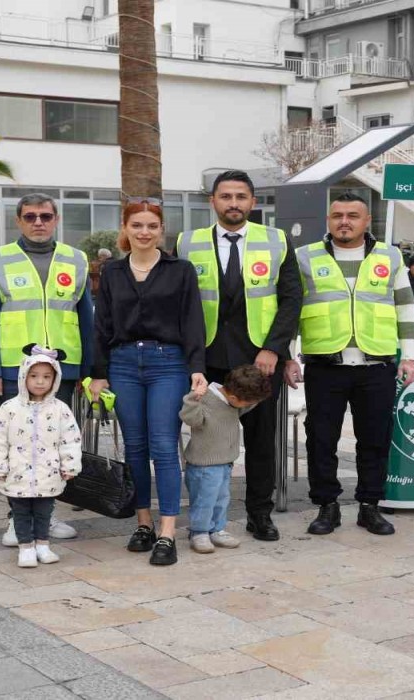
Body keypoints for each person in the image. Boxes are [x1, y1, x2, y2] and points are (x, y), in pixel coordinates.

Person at [174, 170, 302, 542]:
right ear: (212, 201)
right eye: (226, 196)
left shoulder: (276, 240)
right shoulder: (187, 242)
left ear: (253, 202)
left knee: (262, 442)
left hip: (260, 361)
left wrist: (274, 349)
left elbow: (292, 298)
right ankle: (205, 521)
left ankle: (259, 514)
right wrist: (192, 361)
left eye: (241, 197)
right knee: (208, 444)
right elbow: (179, 302)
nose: (233, 203)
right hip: (209, 359)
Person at [284, 193, 414, 537]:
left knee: (374, 439)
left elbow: (405, 308)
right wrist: (288, 355)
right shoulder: (305, 256)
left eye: (352, 216)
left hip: (376, 366)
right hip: (325, 365)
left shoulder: (389, 256)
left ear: (366, 221)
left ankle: (369, 506)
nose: (344, 221)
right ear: (329, 220)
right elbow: (289, 311)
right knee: (320, 439)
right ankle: (326, 506)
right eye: (337, 215)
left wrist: (410, 356)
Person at [86, 200, 208, 566]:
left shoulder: (180, 270)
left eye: (151, 226)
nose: (144, 232)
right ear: (126, 229)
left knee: (163, 446)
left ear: (161, 230)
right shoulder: (112, 272)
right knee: (135, 447)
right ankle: (143, 524)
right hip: (123, 364)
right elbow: (102, 324)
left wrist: (196, 367)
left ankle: (168, 532)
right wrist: (98, 372)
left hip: (167, 363)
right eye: (136, 225)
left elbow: (192, 321)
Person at [0, 192, 92, 545]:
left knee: (56, 446)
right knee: (18, 446)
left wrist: (88, 369)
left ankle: (47, 516)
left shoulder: (76, 260)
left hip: (64, 369)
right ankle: (17, 520)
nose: (38, 222)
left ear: (56, 219)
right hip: (16, 370)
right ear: (19, 221)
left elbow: (86, 317)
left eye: (45, 216)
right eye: (30, 216)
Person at [0, 346, 82, 568]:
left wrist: (70, 465)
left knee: (44, 512)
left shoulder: (61, 410)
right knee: (20, 513)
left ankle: (42, 544)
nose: (40, 382)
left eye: (46, 377)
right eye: (34, 376)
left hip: (48, 475)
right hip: (17, 474)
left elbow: (70, 439)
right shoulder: (9, 408)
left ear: (55, 379)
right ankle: (25, 547)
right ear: (24, 377)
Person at [180, 365, 271, 554]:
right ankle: (199, 531)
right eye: (247, 403)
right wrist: (193, 398)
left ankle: (216, 529)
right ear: (233, 398)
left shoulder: (232, 402)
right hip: (204, 465)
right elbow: (190, 418)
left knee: (221, 499)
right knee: (204, 500)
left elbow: (249, 403)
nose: (248, 406)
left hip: (224, 462)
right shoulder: (207, 399)